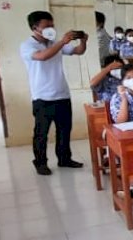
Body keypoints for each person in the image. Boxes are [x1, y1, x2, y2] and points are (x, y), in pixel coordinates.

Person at [20, 10, 86, 175]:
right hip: (42, 97)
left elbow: (78, 51)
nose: (51, 28)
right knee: (41, 134)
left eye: (52, 25)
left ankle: (64, 158)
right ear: (35, 28)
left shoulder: (54, 43)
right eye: (46, 26)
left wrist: (83, 41)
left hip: (62, 94)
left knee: (64, 130)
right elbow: (42, 57)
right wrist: (62, 42)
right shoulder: (27, 45)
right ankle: (41, 162)